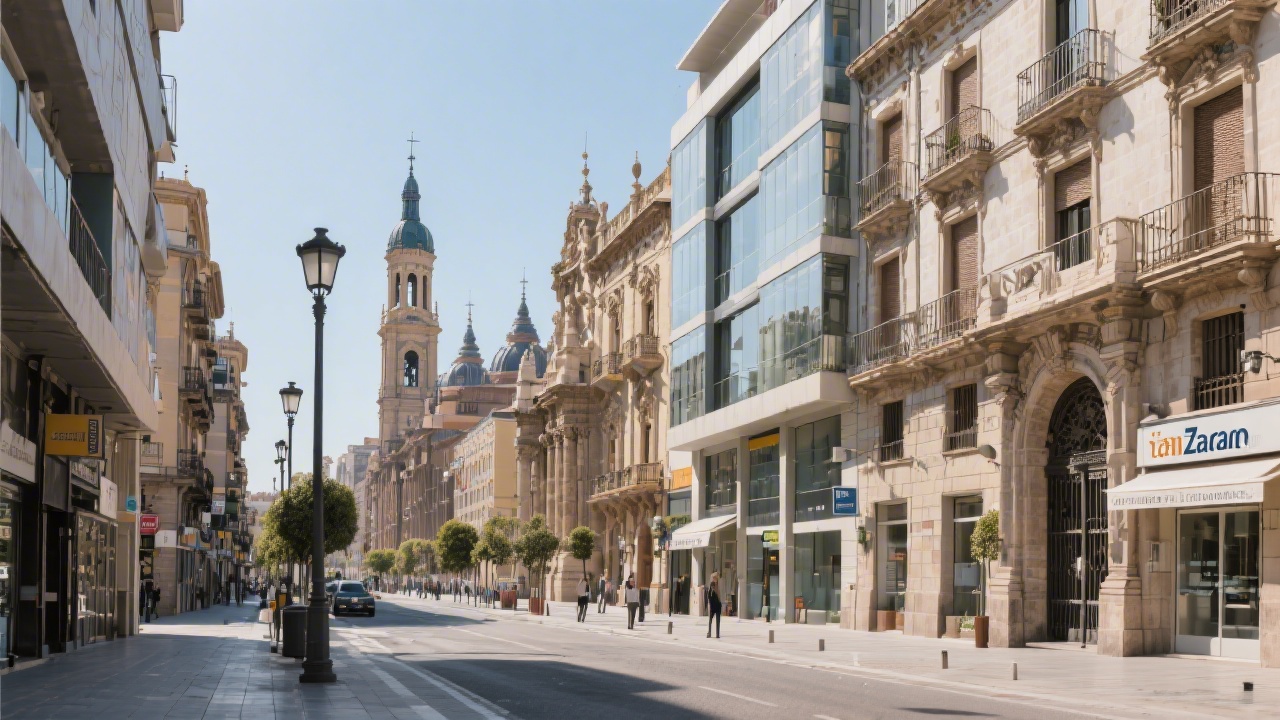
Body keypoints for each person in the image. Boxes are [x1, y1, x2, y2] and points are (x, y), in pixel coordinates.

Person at [707, 572, 722, 639]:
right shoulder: (712, 585)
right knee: (711, 620)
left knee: (717, 620)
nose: (716, 579)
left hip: (717, 604)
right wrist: (710, 604)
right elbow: (710, 596)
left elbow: (718, 594)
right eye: (715, 577)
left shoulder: (717, 584)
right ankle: (709, 633)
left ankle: (717, 634)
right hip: (713, 605)